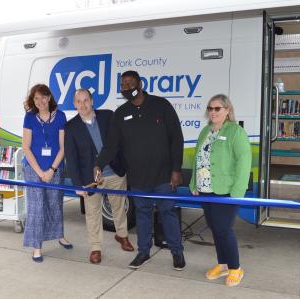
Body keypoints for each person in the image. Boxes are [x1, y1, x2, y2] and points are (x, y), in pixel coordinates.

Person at [94, 70, 186, 270]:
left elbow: (176, 138)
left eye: (130, 84)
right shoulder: (121, 113)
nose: (127, 88)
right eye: (123, 86)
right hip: (138, 178)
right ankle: (143, 252)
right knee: (142, 215)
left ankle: (177, 253)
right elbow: (111, 146)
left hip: (164, 176)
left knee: (167, 213)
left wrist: (176, 169)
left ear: (140, 84)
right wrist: (99, 164)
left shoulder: (161, 106)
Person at [64, 88, 134, 264]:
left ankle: (122, 236)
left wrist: (126, 164)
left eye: (86, 100)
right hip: (89, 180)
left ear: (92, 101)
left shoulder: (107, 117)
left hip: (114, 172)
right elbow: (71, 159)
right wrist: (78, 184)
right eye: (78, 101)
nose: (83, 104)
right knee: (93, 213)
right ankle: (95, 248)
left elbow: (122, 141)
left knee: (119, 208)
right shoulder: (71, 127)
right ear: (74, 104)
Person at [189, 94, 252, 287]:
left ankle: (235, 268)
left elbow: (244, 161)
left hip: (226, 191)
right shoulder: (205, 131)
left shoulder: (235, 131)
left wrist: (237, 191)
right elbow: (198, 160)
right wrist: (194, 183)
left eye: (217, 108)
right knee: (215, 228)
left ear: (227, 110)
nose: (213, 112)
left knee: (224, 229)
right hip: (205, 189)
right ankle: (223, 264)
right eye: (210, 108)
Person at [21, 84, 73, 263]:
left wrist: (51, 170)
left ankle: (60, 235)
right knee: (36, 208)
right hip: (33, 169)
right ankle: (37, 246)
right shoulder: (29, 117)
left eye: (43, 97)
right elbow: (26, 147)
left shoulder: (60, 116)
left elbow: (63, 147)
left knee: (55, 204)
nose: (40, 101)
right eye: (36, 98)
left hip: (55, 168)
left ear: (49, 97)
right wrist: (40, 172)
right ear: (33, 101)